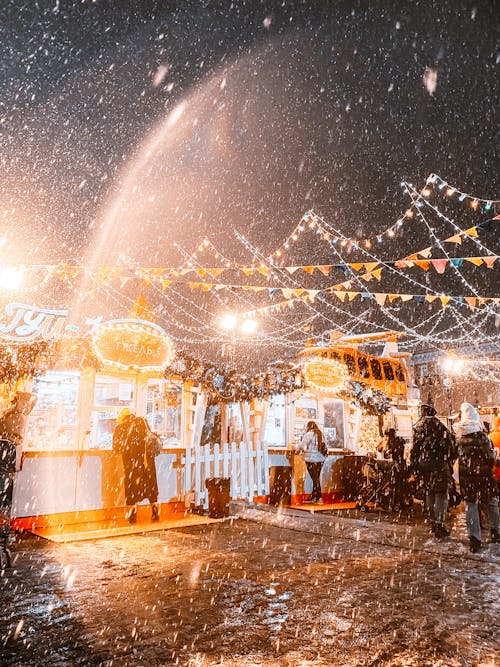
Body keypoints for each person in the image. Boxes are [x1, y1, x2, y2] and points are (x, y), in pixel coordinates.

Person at [453, 403, 499, 553]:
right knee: (492, 502)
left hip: (468, 479)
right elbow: (490, 456)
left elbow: (454, 457)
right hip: (484, 477)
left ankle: (475, 539)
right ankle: (495, 531)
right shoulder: (483, 438)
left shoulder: (460, 439)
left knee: (471, 506)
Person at [410, 404, 457, 538]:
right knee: (441, 494)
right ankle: (439, 523)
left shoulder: (418, 428)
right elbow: (451, 446)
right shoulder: (441, 427)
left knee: (429, 492)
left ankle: (432, 521)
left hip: (424, 466)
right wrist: (449, 461)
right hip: (440, 465)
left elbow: (415, 450)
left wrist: (415, 466)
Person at [112, 408, 160, 523]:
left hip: (132, 465)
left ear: (121, 418)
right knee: (150, 485)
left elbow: (116, 448)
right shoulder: (143, 422)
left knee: (131, 488)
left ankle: (132, 515)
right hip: (147, 463)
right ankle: (155, 512)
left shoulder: (120, 428)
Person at [0, 391, 38, 508]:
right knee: (5, 482)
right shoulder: (16, 414)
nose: (12, 401)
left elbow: (6, 431)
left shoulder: (16, 415)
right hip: (8, 452)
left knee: (4, 482)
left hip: (6, 451)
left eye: (15, 399)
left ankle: (4, 512)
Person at [295, 420, 326, 504]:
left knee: (315, 478)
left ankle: (318, 497)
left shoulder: (309, 434)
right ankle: (315, 496)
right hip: (320, 459)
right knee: (316, 478)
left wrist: (296, 451)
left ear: (309, 426)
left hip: (311, 459)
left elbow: (302, 446)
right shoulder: (320, 434)